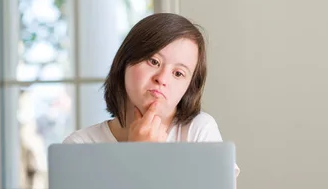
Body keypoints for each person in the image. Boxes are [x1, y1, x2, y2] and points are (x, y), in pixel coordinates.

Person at [63, 12, 239, 176]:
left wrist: (149, 157)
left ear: (189, 87)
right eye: (154, 61)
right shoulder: (79, 146)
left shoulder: (198, 130)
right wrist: (138, 156)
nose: (162, 79)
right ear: (125, 61)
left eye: (178, 73)